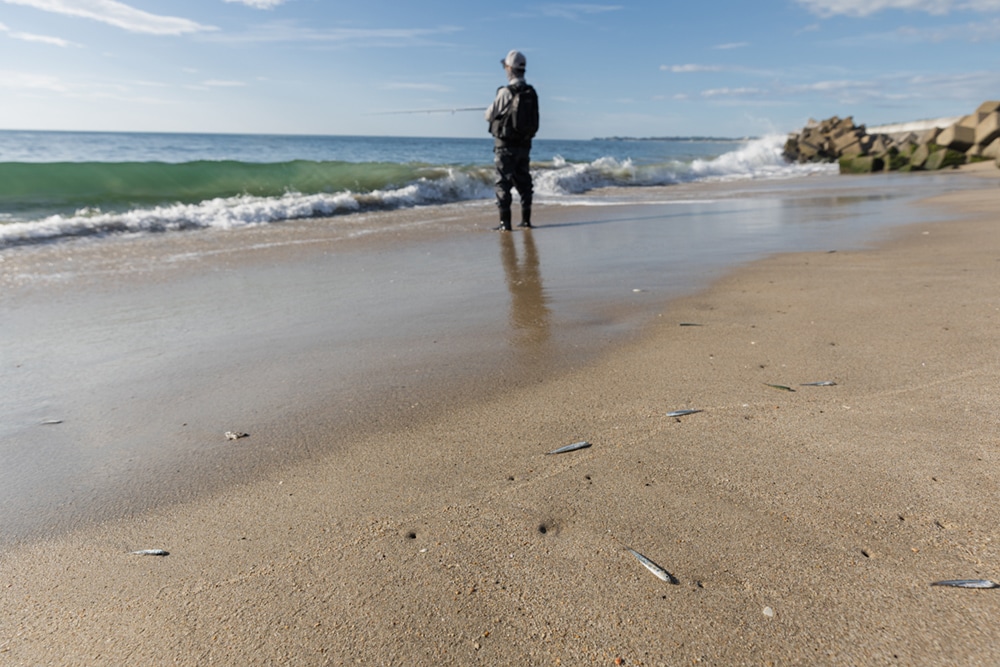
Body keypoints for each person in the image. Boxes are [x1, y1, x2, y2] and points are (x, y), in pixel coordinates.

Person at [485, 50, 538, 231]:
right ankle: (526, 220)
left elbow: (489, 115)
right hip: (524, 146)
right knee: (524, 183)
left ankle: (504, 223)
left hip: (505, 147)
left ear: (509, 68)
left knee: (503, 184)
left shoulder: (505, 92)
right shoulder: (531, 92)